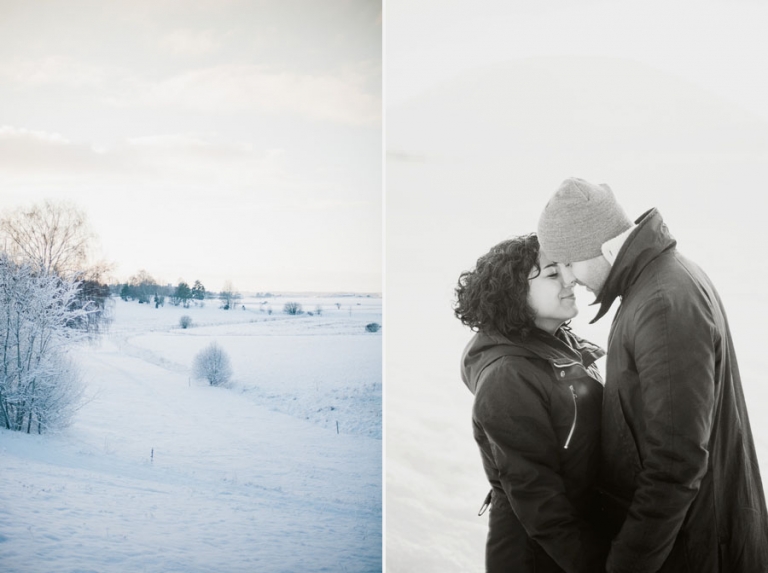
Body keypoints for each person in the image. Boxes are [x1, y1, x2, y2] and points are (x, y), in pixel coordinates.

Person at [537, 177, 768, 572]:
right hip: (694, 539)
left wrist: (627, 565)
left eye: (568, 263)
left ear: (597, 246)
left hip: (700, 549)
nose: (570, 278)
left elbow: (676, 461)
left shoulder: (661, 304)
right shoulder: (657, 283)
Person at [455, 234, 608, 572]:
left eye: (566, 268)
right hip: (539, 555)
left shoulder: (560, 344)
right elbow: (537, 497)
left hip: (575, 536)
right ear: (514, 294)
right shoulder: (508, 377)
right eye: (553, 274)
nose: (571, 280)